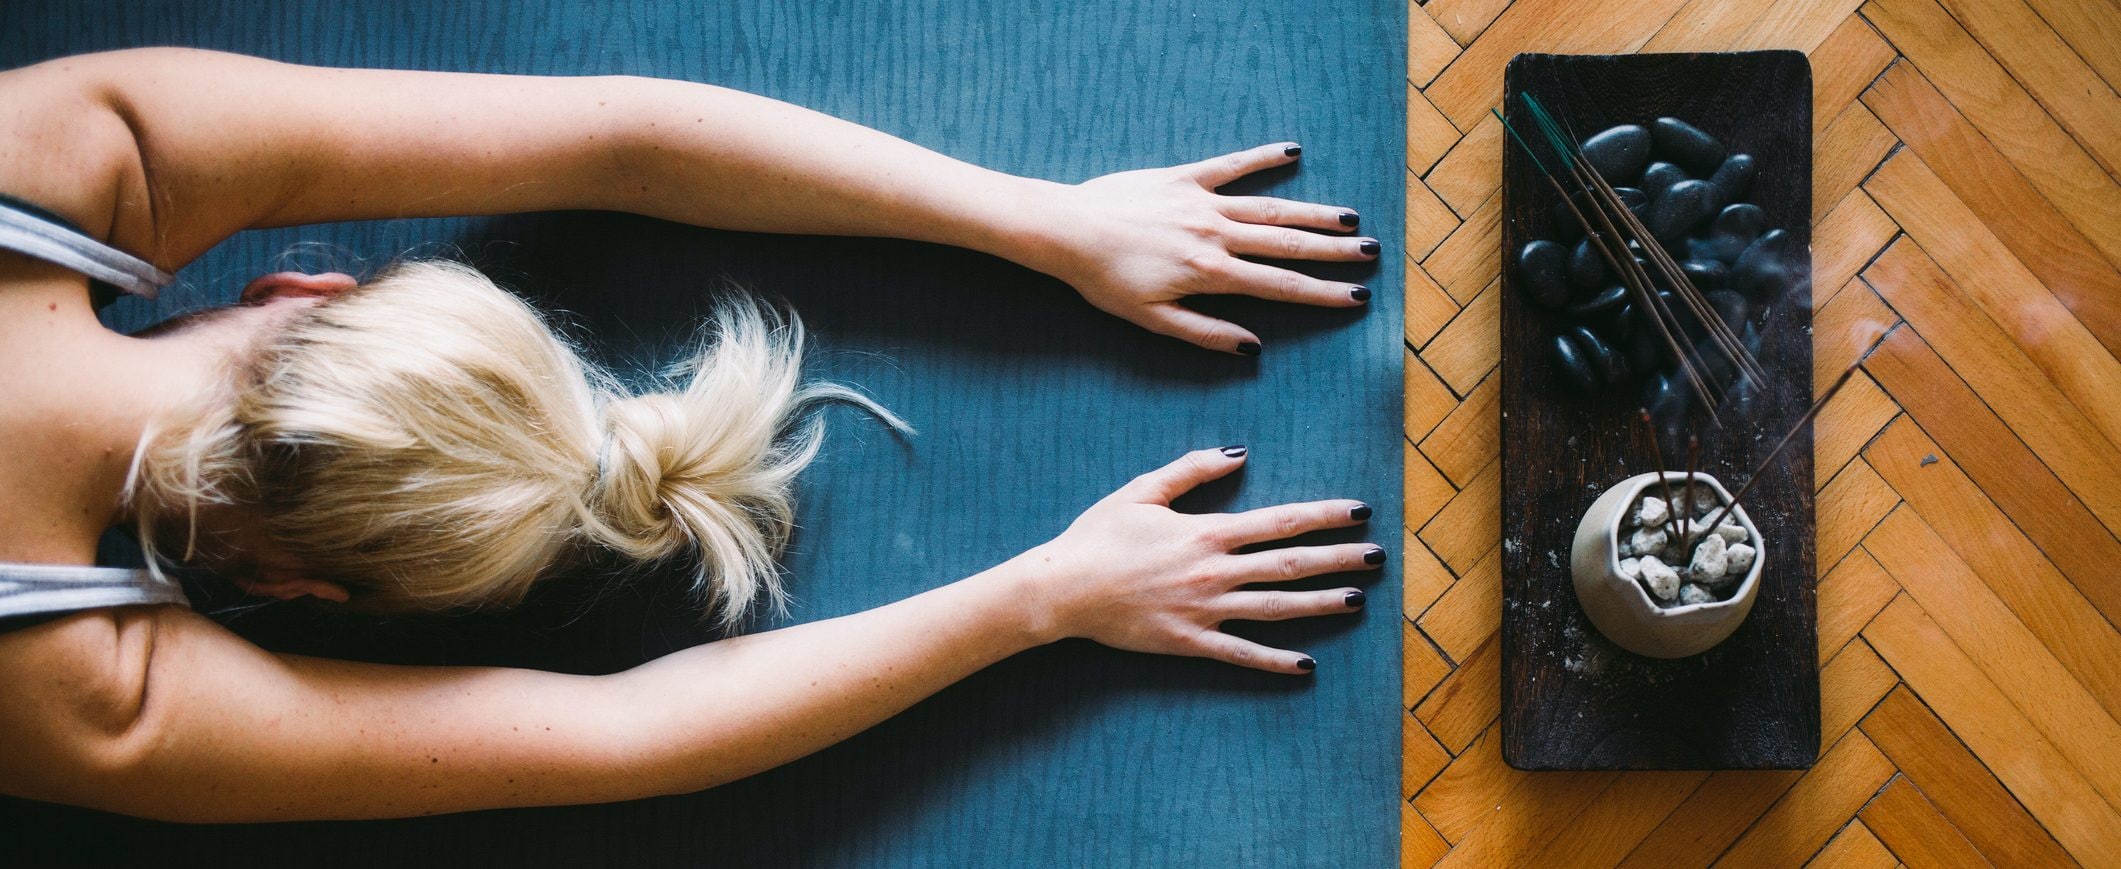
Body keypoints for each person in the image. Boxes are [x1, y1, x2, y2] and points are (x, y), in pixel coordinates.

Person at [0, 48, 1385, 822]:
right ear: (303, 586)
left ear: (308, 293)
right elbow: (610, 738)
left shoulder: (56, 162)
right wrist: (1034, 597)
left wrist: (1046, 223)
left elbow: (621, 140)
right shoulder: (74, 691)